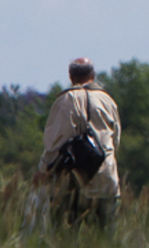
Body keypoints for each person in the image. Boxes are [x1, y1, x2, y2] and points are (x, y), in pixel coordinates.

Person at [35, 57, 121, 231]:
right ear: (93, 74)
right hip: (105, 180)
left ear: (70, 76)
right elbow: (116, 141)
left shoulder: (65, 101)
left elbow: (54, 144)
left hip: (70, 183)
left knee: (63, 243)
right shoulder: (108, 101)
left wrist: (42, 170)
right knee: (106, 244)